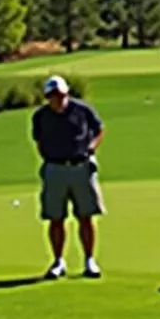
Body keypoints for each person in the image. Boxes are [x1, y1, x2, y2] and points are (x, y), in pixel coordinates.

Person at [31, 76, 106, 280]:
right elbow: (38, 141)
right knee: (56, 218)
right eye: (53, 96)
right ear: (47, 97)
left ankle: (90, 260)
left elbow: (99, 131)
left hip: (81, 167)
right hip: (55, 169)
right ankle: (58, 262)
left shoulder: (83, 110)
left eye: (61, 95)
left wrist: (90, 149)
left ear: (67, 93)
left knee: (86, 216)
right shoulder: (40, 116)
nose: (58, 99)